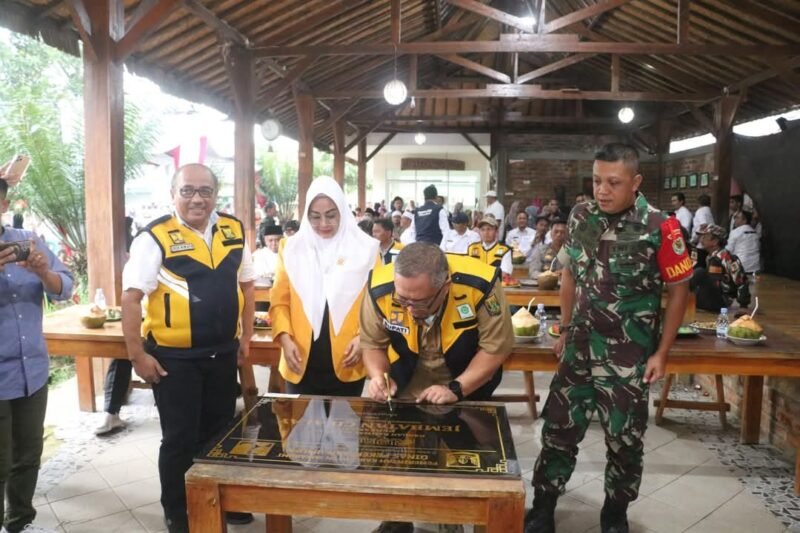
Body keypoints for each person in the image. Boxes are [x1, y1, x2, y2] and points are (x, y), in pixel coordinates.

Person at [525, 143, 691, 533]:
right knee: (558, 430)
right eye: (597, 180)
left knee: (625, 439)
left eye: (613, 182)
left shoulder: (660, 226)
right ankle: (544, 506)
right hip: (579, 347)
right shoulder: (582, 214)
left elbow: (680, 290)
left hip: (628, 355)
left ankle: (615, 513)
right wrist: (564, 329)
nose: (602, 190)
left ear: (635, 182)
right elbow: (568, 273)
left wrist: (662, 354)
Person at [121, 164, 256, 532]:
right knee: (180, 439)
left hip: (223, 354)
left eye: (205, 190)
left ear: (216, 193)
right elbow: (131, 299)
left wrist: (244, 340)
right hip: (175, 360)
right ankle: (178, 511)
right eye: (188, 190)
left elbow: (247, 286)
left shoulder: (233, 229)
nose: (197, 198)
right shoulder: (154, 237)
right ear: (173, 194)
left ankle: (222, 501)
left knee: (221, 433)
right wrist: (138, 355)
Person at [361, 242, 513, 533]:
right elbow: (372, 343)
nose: (408, 307)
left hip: (466, 375)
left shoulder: (480, 285)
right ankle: (397, 518)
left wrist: (456, 388)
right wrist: (379, 376)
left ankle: (454, 520)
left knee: (466, 455)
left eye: (419, 302)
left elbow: (496, 347)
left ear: (445, 287)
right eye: (402, 299)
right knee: (400, 455)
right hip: (409, 374)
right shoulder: (379, 286)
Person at [1, 178, 73, 533]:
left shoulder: (25, 241)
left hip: (32, 369)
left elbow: (65, 288)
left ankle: (19, 521)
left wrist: (44, 271)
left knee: (28, 455)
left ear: (3, 204)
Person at [270, 176, 379, 397]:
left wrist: (363, 338)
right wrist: (284, 337)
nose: (323, 224)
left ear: (342, 211)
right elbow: (279, 301)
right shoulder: (290, 249)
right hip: (299, 355)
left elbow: (378, 302)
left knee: (344, 427)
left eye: (331, 215)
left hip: (349, 355)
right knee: (299, 428)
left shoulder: (366, 249)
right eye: (315, 217)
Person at [95, 216, 137, 437]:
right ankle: (111, 413)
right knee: (122, 353)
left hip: (168, 327)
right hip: (139, 320)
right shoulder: (133, 265)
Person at [691, 224, 749, 312]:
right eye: (701, 237)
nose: (701, 240)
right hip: (710, 296)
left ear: (715, 241)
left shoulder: (727, 257)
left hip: (721, 301)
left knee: (699, 272)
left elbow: (741, 281)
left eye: (705, 237)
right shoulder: (709, 257)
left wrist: (743, 305)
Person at [691, 194, 714, 266]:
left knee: (696, 265)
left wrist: (694, 240)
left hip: (700, 244)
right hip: (708, 243)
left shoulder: (700, 211)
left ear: (699, 202)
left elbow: (703, 225)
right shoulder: (709, 211)